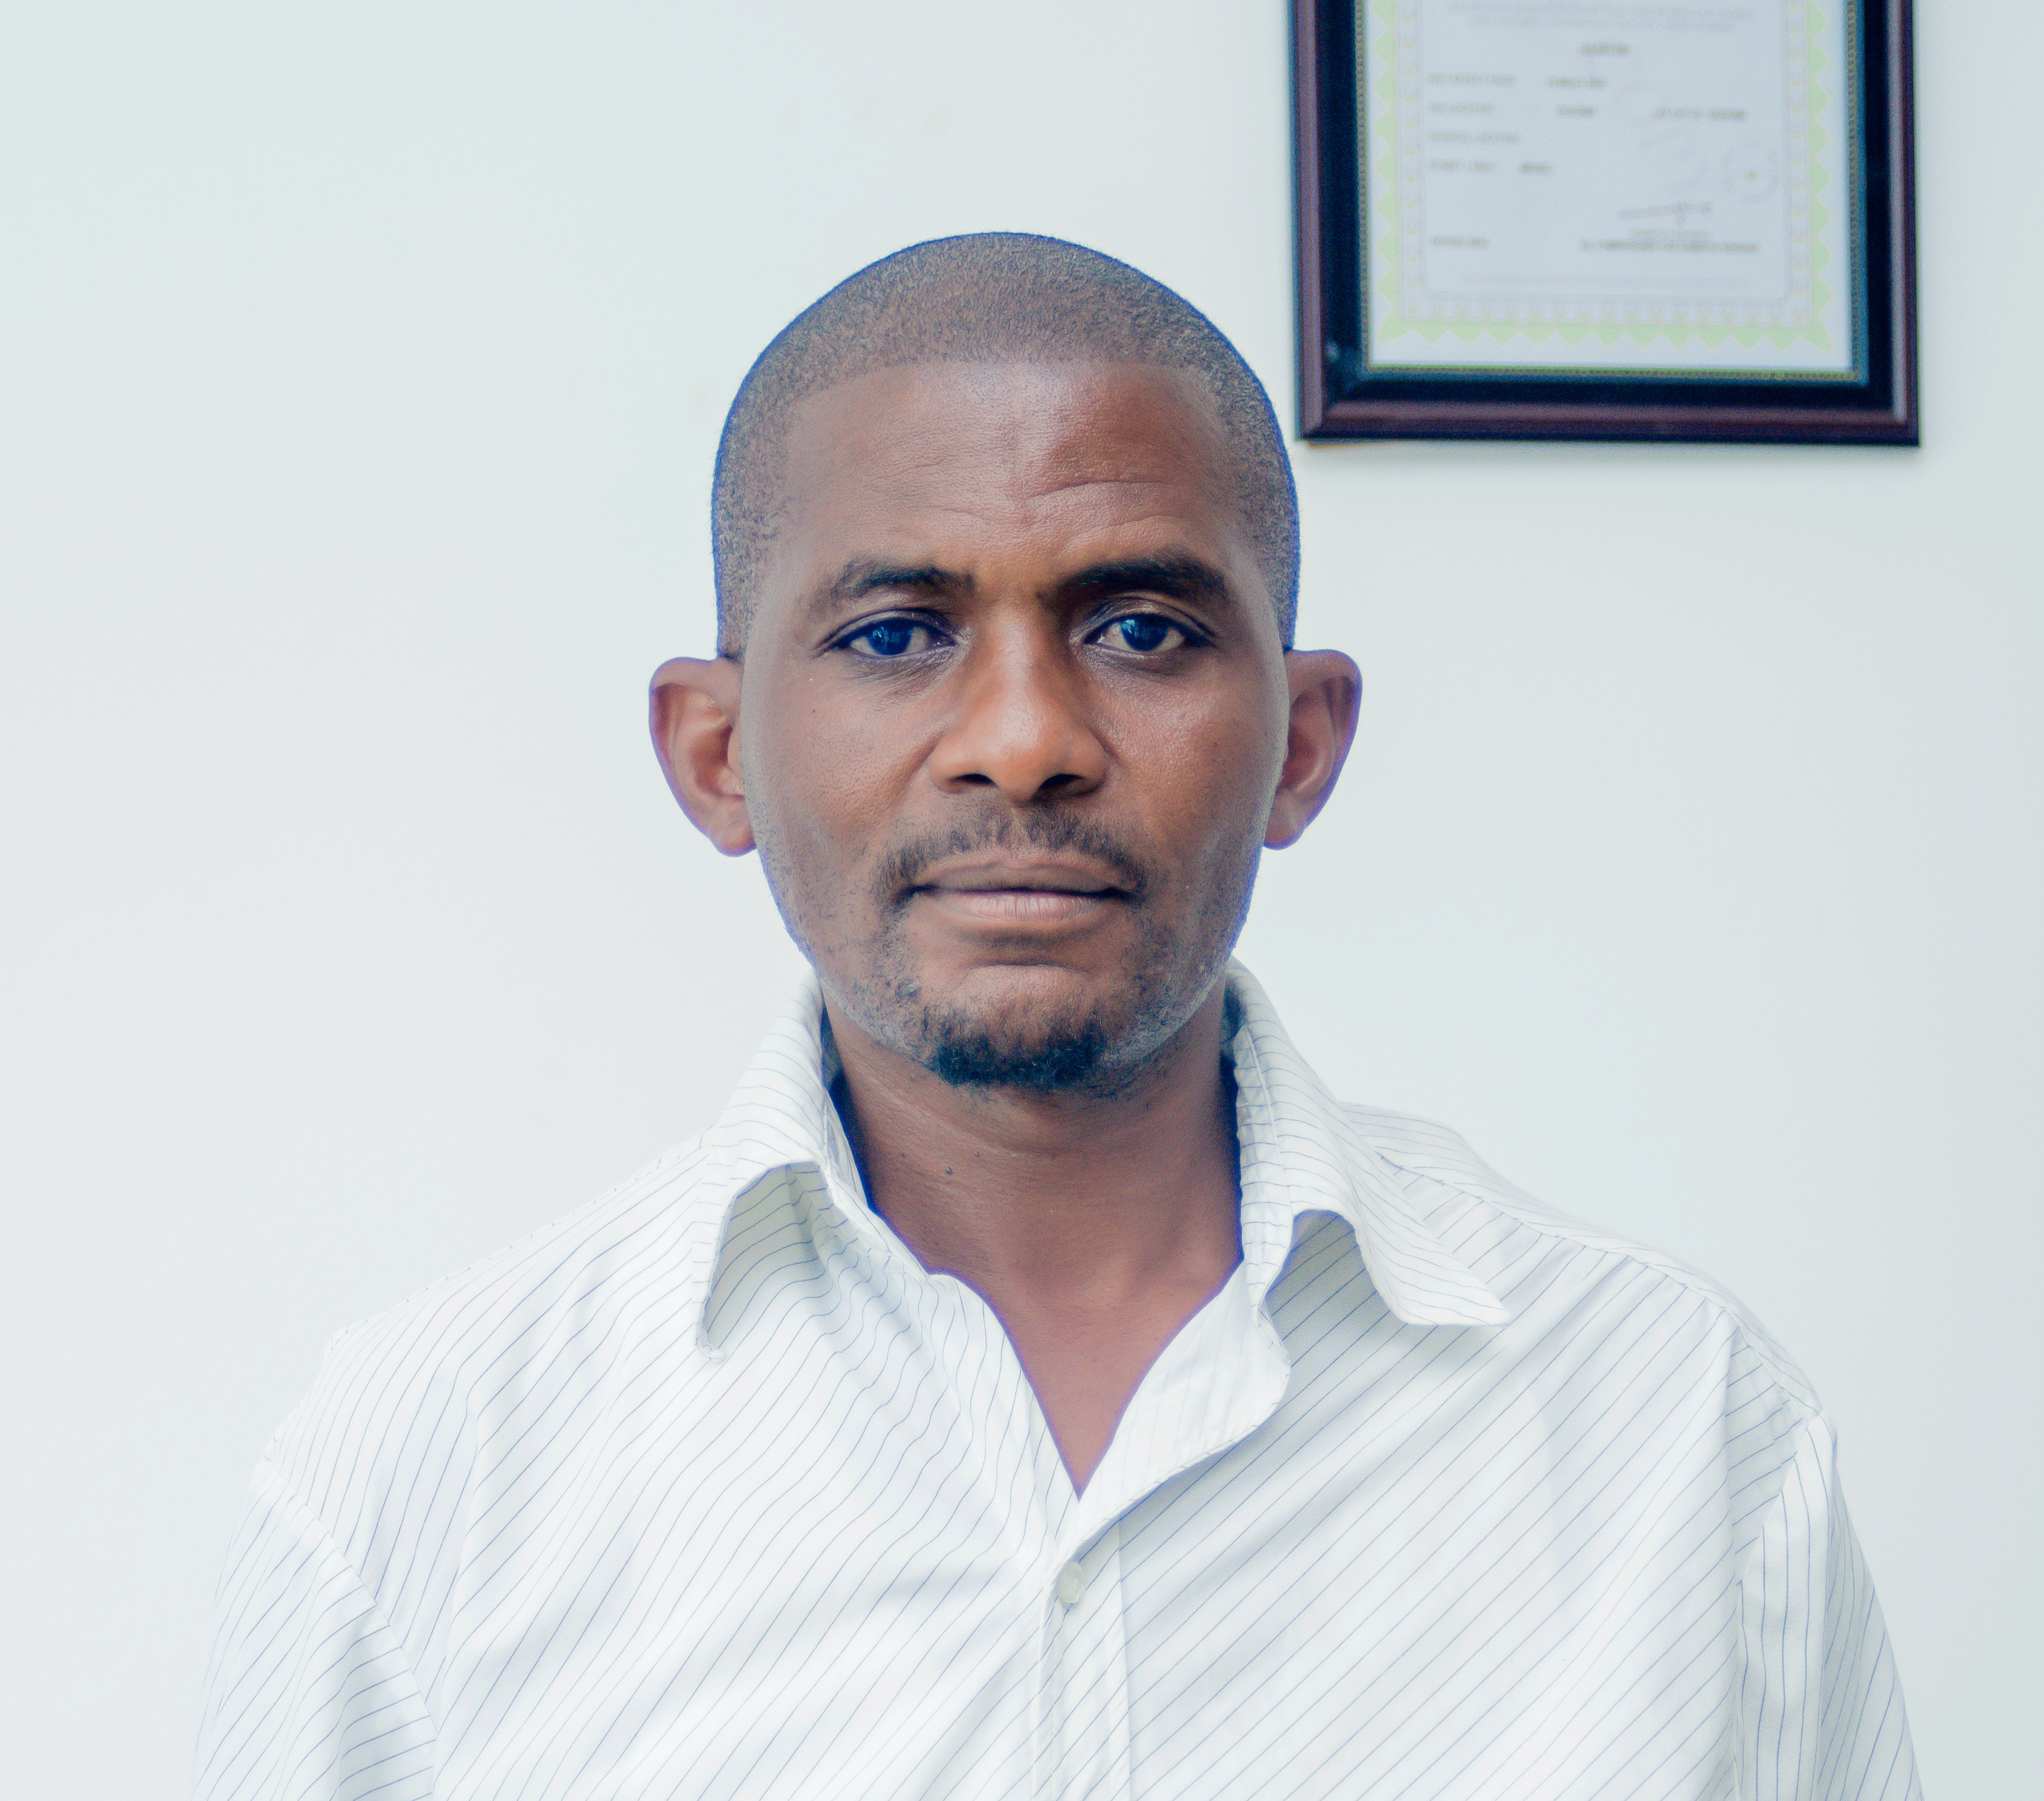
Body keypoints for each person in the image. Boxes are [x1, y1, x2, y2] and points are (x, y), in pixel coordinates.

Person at [194, 235, 1920, 1801]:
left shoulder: (1676, 1423)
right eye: (896, 635)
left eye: (1144, 630)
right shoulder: (434, 1458)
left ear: (1303, 746)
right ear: (716, 756)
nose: (1024, 742)